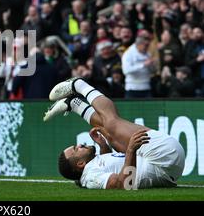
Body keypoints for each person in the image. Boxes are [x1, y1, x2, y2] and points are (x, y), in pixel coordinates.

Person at [43, 77, 185, 189]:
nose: (79, 145)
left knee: (108, 132)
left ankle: (73, 104)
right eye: (76, 149)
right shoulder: (90, 177)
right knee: (112, 124)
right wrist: (130, 149)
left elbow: (112, 164)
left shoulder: (93, 167)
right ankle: (78, 85)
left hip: (163, 166)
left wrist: (104, 146)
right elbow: (124, 185)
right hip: (163, 159)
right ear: (80, 163)